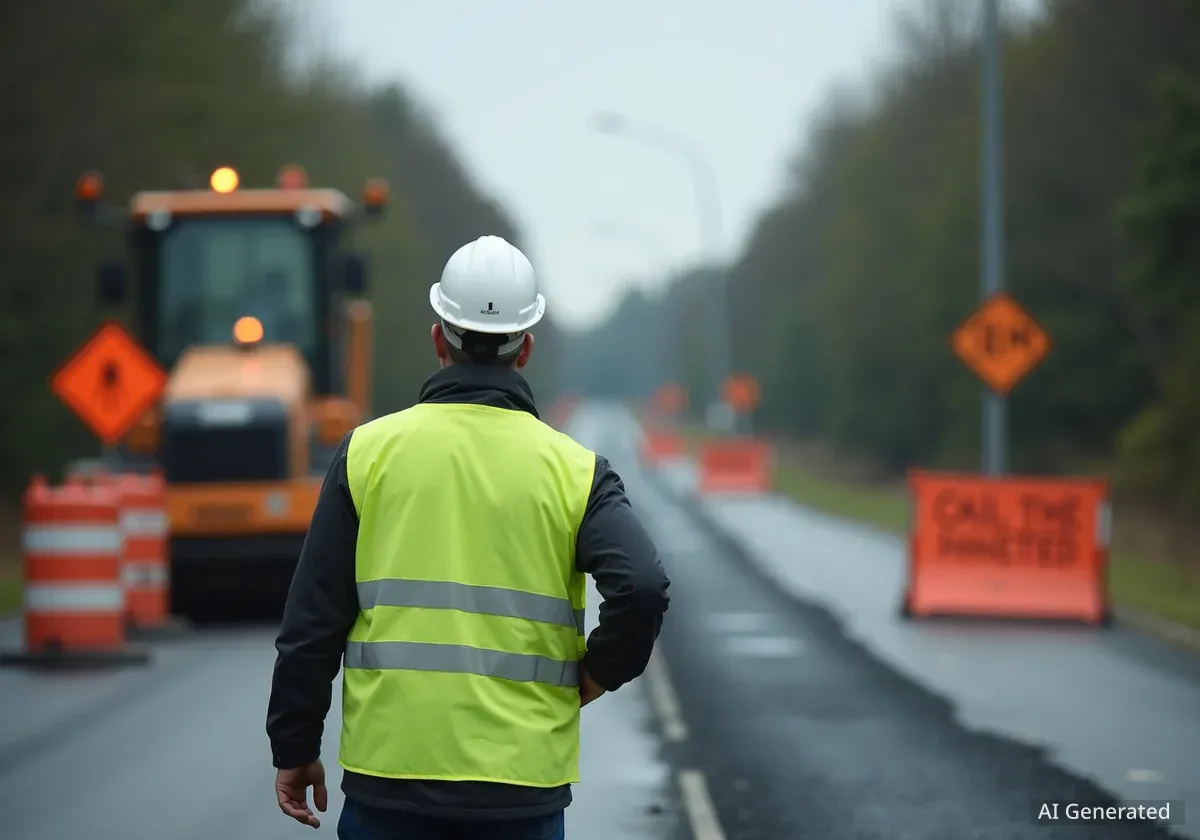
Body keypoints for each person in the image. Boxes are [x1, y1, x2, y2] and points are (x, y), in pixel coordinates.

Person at [266, 234, 671, 839]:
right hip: (520, 792)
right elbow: (641, 588)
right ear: (526, 348)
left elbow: (312, 620)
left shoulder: (366, 455)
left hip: (389, 784)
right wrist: (596, 673)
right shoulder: (577, 472)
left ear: (439, 338)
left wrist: (294, 744)